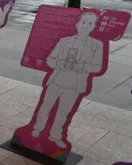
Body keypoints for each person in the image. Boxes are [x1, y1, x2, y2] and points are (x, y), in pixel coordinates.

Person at [30, 11, 104, 148]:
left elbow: (98, 67)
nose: (85, 26)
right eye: (83, 22)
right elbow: (50, 59)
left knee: (64, 112)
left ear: (94, 27)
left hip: (75, 85)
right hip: (57, 79)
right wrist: (59, 64)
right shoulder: (65, 41)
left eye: (89, 23)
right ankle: (37, 128)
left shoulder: (97, 45)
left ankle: (56, 136)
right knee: (46, 106)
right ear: (77, 24)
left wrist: (81, 66)